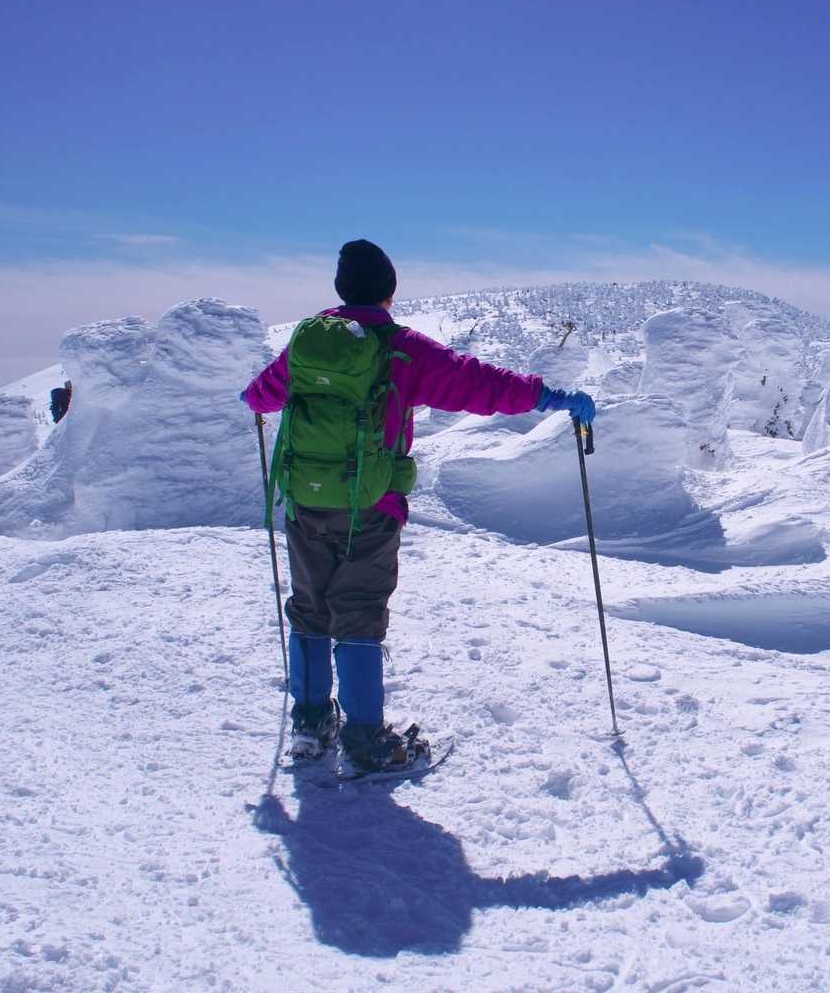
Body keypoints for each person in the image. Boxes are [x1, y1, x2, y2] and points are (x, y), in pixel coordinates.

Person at [243, 239, 595, 774]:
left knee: (310, 607)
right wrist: (551, 397)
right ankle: (365, 741)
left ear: (341, 290)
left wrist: (266, 400)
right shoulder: (400, 348)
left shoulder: (308, 344)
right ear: (389, 292)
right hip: (371, 506)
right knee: (359, 612)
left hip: (305, 502)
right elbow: (478, 383)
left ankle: (310, 725)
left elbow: (259, 396)